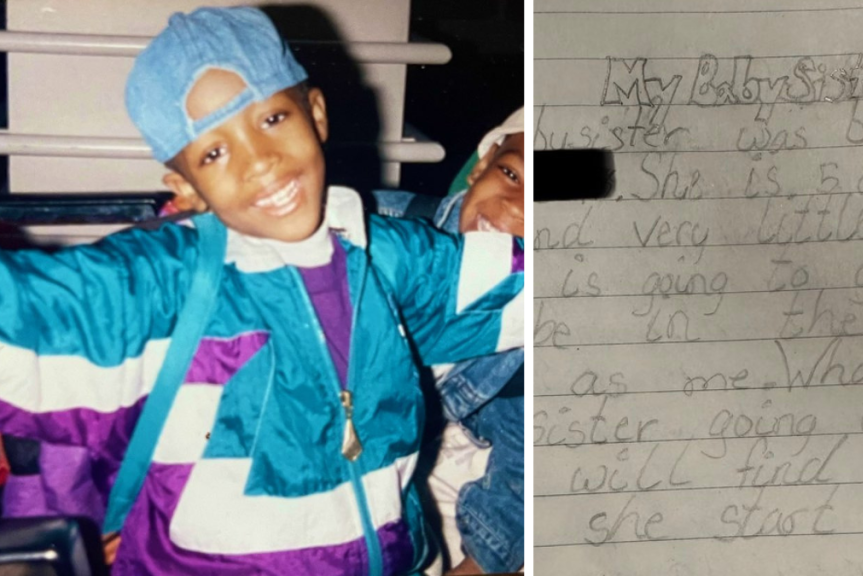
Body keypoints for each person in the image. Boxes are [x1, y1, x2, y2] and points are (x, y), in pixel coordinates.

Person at [0, 7, 523, 575]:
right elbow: (32, 313)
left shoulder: (389, 255)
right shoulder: (155, 287)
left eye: (272, 119)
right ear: (186, 186)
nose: (260, 162)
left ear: (316, 114)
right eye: (214, 152)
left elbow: (542, 283)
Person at [375, 109, 524, 575]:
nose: (517, 208)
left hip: (454, 463)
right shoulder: (382, 224)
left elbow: (520, 477)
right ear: (480, 167)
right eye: (511, 174)